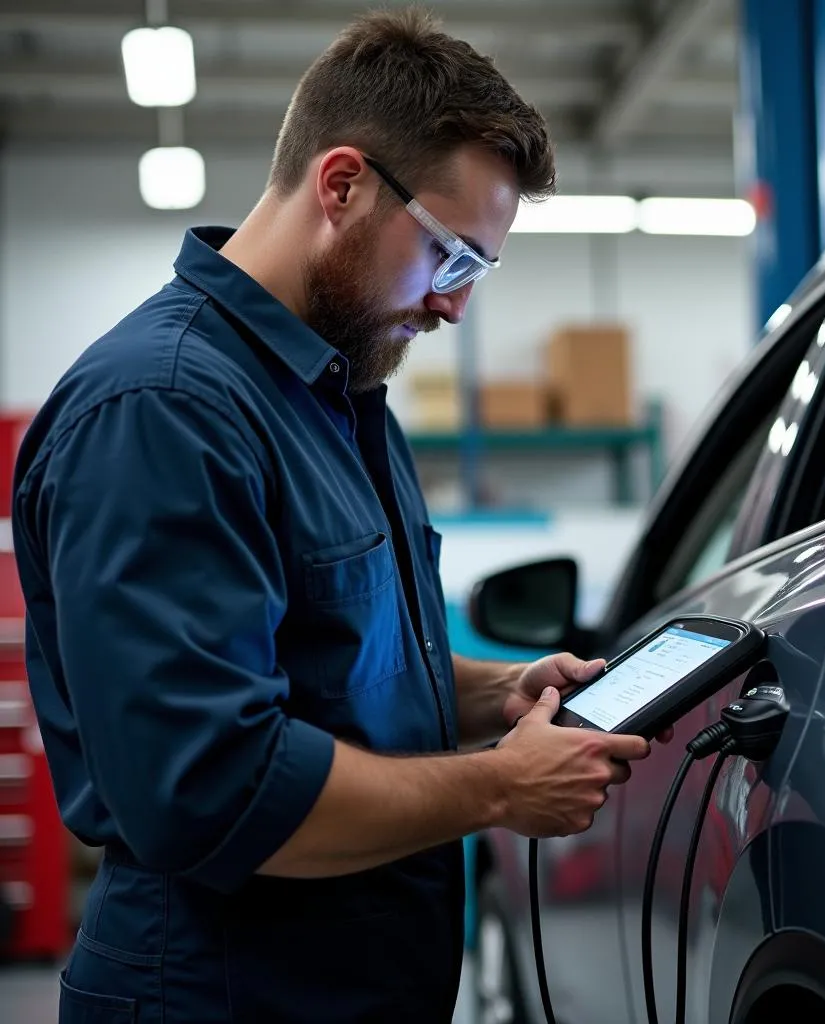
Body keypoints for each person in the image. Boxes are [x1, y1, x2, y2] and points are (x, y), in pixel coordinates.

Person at [11, 10, 662, 1023]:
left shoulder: (344, 396)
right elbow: (214, 783)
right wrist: (497, 786)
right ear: (342, 184)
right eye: (450, 254)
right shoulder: (165, 409)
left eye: (477, 272)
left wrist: (497, 692)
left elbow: (335, 671)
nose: (456, 305)